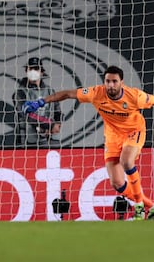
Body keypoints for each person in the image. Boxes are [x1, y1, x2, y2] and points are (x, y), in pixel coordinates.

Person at [22, 65, 154, 220]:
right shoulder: (96, 93)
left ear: (121, 82)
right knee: (117, 183)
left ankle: (139, 205)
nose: (110, 85)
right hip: (112, 135)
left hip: (134, 131)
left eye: (114, 81)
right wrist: (41, 102)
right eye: (107, 81)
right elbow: (68, 94)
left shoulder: (135, 96)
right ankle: (150, 205)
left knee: (126, 161)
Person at [13, 57, 62, 147]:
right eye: (30, 69)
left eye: (36, 69)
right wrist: (49, 125)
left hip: (47, 139)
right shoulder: (20, 92)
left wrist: (56, 126)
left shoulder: (50, 91)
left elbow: (57, 111)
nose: (33, 71)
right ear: (26, 71)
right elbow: (27, 114)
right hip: (27, 140)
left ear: (42, 71)